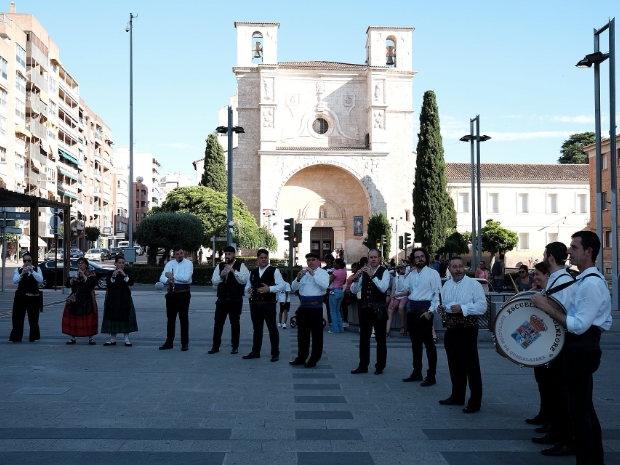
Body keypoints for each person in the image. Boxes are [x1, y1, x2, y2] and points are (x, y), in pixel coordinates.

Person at [531, 232, 611, 463]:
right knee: (584, 409)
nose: (569, 252)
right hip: (579, 349)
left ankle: (588, 459)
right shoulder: (585, 281)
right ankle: (595, 458)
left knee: (579, 413)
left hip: (580, 350)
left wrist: (547, 308)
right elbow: (602, 321)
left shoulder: (591, 284)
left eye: (574, 247)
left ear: (589, 252)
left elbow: (577, 325)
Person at [529, 243, 575, 456]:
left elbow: (560, 313)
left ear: (549, 258)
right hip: (550, 343)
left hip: (560, 345)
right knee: (553, 392)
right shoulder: (556, 280)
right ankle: (555, 431)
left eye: (544, 254)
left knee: (560, 392)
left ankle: (565, 438)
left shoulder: (564, 281)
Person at [437, 256, 487, 413]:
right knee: (454, 364)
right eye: (454, 267)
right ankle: (457, 396)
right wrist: (442, 309)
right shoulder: (446, 285)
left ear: (463, 268)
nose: (457, 269)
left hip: (467, 328)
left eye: (460, 266)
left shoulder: (473, 284)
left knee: (471, 365)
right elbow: (445, 304)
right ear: (449, 269)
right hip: (451, 329)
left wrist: (463, 308)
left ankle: (475, 401)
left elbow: (482, 307)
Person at [402, 248, 441, 386]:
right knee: (415, 344)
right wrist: (408, 273)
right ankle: (417, 372)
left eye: (422, 256)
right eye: (417, 257)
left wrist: (430, 312)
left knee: (429, 345)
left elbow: (437, 295)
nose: (420, 259)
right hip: (412, 311)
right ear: (413, 259)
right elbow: (405, 289)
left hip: (425, 312)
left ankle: (431, 375)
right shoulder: (412, 274)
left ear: (426, 258)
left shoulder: (433, 273)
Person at [350, 249, 391, 375]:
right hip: (365, 309)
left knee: (380, 339)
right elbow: (353, 290)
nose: (372, 259)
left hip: (379, 309)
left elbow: (383, 288)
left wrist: (372, 276)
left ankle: (380, 366)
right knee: (364, 339)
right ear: (368, 259)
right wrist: (356, 279)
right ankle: (363, 365)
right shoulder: (363, 272)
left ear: (379, 259)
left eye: (375, 257)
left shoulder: (385, 272)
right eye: (370, 257)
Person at [243, 249, 285, 362]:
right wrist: (248, 289)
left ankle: (275, 353)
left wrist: (269, 289)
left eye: (265, 257)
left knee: (272, 329)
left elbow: (282, 285)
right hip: (255, 305)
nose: (263, 260)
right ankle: (255, 352)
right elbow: (247, 286)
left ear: (268, 258)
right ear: (257, 259)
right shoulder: (253, 272)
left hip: (269, 304)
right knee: (257, 329)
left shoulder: (274, 271)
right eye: (261, 258)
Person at [290, 252, 329, 368]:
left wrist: (313, 275)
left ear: (318, 261)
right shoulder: (304, 273)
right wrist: (297, 278)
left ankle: (314, 359)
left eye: (313, 260)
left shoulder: (323, 273)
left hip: (316, 308)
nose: (310, 262)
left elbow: (324, 286)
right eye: (308, 260)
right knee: (302, 334)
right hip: (303, 307)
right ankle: (301, 357)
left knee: (317, 335)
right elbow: (293, 287)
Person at [208, 246, 249, 355]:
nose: (227, 256)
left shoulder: (241, 266)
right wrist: (221, 276)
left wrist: (233, 271)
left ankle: (235, 346)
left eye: (229, 254)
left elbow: (244, 280)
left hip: (235, 300)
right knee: (218, 323)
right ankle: (215, 346)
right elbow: (214, 281)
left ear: (234, 254)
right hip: (222, 299)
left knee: (235, 323)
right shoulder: (220, 266)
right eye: (226, 254)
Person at [158, 245, 193, 351]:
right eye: (177, 254)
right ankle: (169, 342)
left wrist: (172, 277)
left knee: (183, 318)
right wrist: (167, 280)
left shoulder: (188, 263)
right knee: (170, 319)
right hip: (171, 294)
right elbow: (162, 277)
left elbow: (186, 279)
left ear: (183, 253)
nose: (179, 255)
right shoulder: (169, 264)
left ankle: (184, 343)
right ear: (173, 254)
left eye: (181, 253)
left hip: (183, 294)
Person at [101, 256, 138, 347]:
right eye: (119, 263)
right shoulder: (110, 273)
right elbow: (109, 284)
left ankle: (127, 339)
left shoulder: (128, 272)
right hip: (113, 297)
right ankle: (112, 339)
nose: (121, 265)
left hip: (124, 297)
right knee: (112, 317)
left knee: (125, 316)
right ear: (116, 264)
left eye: (123, 263)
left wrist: (124, 275)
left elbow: (131, 283)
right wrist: (114, 276)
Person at [62, 257, 98, 345]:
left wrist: (84, 276)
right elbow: (67, 285)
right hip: (75, 298)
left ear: (86, 265)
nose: (80, 265)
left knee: (88, 318)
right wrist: (71, 280)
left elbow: (91, 285)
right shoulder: (74, 273)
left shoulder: (91, 273)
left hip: (87, 298)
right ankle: (72, 337)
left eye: (82, 263)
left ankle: (91, 338)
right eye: (79, 263)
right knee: (73, 318)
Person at [9, 253, 42, 343]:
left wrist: (32, 271)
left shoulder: (37, 269)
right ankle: (16, 337)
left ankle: (34, 337)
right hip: (21, 297)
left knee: (34, 318)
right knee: (17, 317)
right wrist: (22, 273)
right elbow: (15, 281)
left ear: (32, 261)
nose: (27, 263)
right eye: (25, 261)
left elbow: (40, 279)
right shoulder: (18, 270)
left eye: (29, 261)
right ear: (23, 261)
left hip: (33, 297)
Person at [387, 265, 409, 337]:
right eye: (402, 268)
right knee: (390, 309)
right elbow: (393, 291)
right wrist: (392, 301)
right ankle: (387, 331)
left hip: (404, 296)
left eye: (404, 268)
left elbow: (407, 292)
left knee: (401, 307)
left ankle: (402, 327)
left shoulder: (407, 278)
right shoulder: (395, 279)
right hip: (396, 296)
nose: (403, 270)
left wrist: (394, 296)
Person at [328, 258, 347, 334]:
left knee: (333, 311)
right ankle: (340, 328)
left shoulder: (335, 272)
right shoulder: (344, 271)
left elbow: (329, 282)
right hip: (340, 291)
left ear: (338, 265)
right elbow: (344, 281)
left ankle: (335, 328)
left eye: (335, 263)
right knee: (337, 311)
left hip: (334, 291)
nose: (333, 264)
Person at [341, 262, 359, 328]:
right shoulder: (352, 275)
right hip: (347, 292)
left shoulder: (357, 276)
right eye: (352, 267)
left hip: (352, 294)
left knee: (343, 304)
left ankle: (345, 321)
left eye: (354, 267)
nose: (352, 269)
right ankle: (344, 320)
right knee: (342, 304)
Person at [322, 254, 335, 326]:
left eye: (330, 260)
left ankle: (332, 319)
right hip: (326, 289)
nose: (329, 262)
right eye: (327, 260)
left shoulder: (335, 269)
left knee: (332, 305)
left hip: (333, 288)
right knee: (328, 305)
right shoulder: (323, 269)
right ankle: (330, 319)